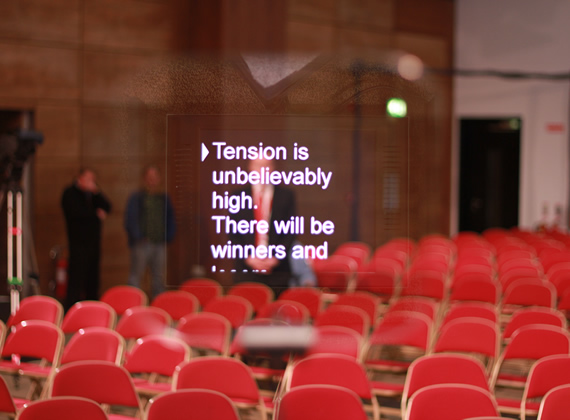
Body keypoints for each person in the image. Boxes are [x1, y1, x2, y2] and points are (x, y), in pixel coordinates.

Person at [228, 157, 296, 297]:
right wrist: (249, 259)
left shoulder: (286, 196)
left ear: (273, 168)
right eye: (258, 165)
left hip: (278, 271)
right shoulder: (237, 196)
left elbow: (291, 232)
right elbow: (233, 233)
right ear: (250, 168)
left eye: (267, 165)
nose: (262, 170)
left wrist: (275, 258)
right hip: (246, 269)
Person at [61, 168, 111, 310]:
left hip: (93, 244)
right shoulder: (70, 193)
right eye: (88, 179)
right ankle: (71, 312)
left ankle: (92, 311)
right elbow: (76, 214)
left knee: (93, 281)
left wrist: (97, 192)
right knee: (76, 281)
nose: (91, 183)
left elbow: (107, 207)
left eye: (93, 180)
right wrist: (95, 215)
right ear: (80, 178)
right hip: (77, 244)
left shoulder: (93, 195)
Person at [124, 165, 176, 298]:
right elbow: (130, 219)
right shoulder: (137, 198)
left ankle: (159, 305)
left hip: (160, 243)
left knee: (159, 277)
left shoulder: (163, 198)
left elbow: (170, 218)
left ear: (159, 179)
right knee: (136, 276)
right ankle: (133, 303)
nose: (152, 180)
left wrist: (168, 236)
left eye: (155, 177)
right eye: (149, 177)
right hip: (141, 243)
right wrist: (138, 236)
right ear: (144, 179)